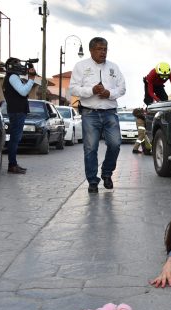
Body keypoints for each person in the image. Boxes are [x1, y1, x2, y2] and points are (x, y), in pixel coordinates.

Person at [69, 37, 126, 193]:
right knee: (90, 148)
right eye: (100, 49)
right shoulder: (81, 66)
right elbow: (73, 89)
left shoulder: (114, 67)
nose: (103, 52)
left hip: (110, 112)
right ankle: (92, 181)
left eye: (105, 49)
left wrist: (109, 93)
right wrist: (91, 91)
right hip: (90, 113)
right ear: (91, 50)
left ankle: (107, 173)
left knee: (115, 144)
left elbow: (122, 88)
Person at [2, 58, 37, 174]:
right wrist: (31, 79)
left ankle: (13, 164)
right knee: (15, 139)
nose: (20, 66)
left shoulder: (11, 77)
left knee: (15, 138)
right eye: (17, 63)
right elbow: (23, 92)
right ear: (12, 66)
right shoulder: (12, 77)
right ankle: (12, 165)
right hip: (17, 112)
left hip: (16, 111)